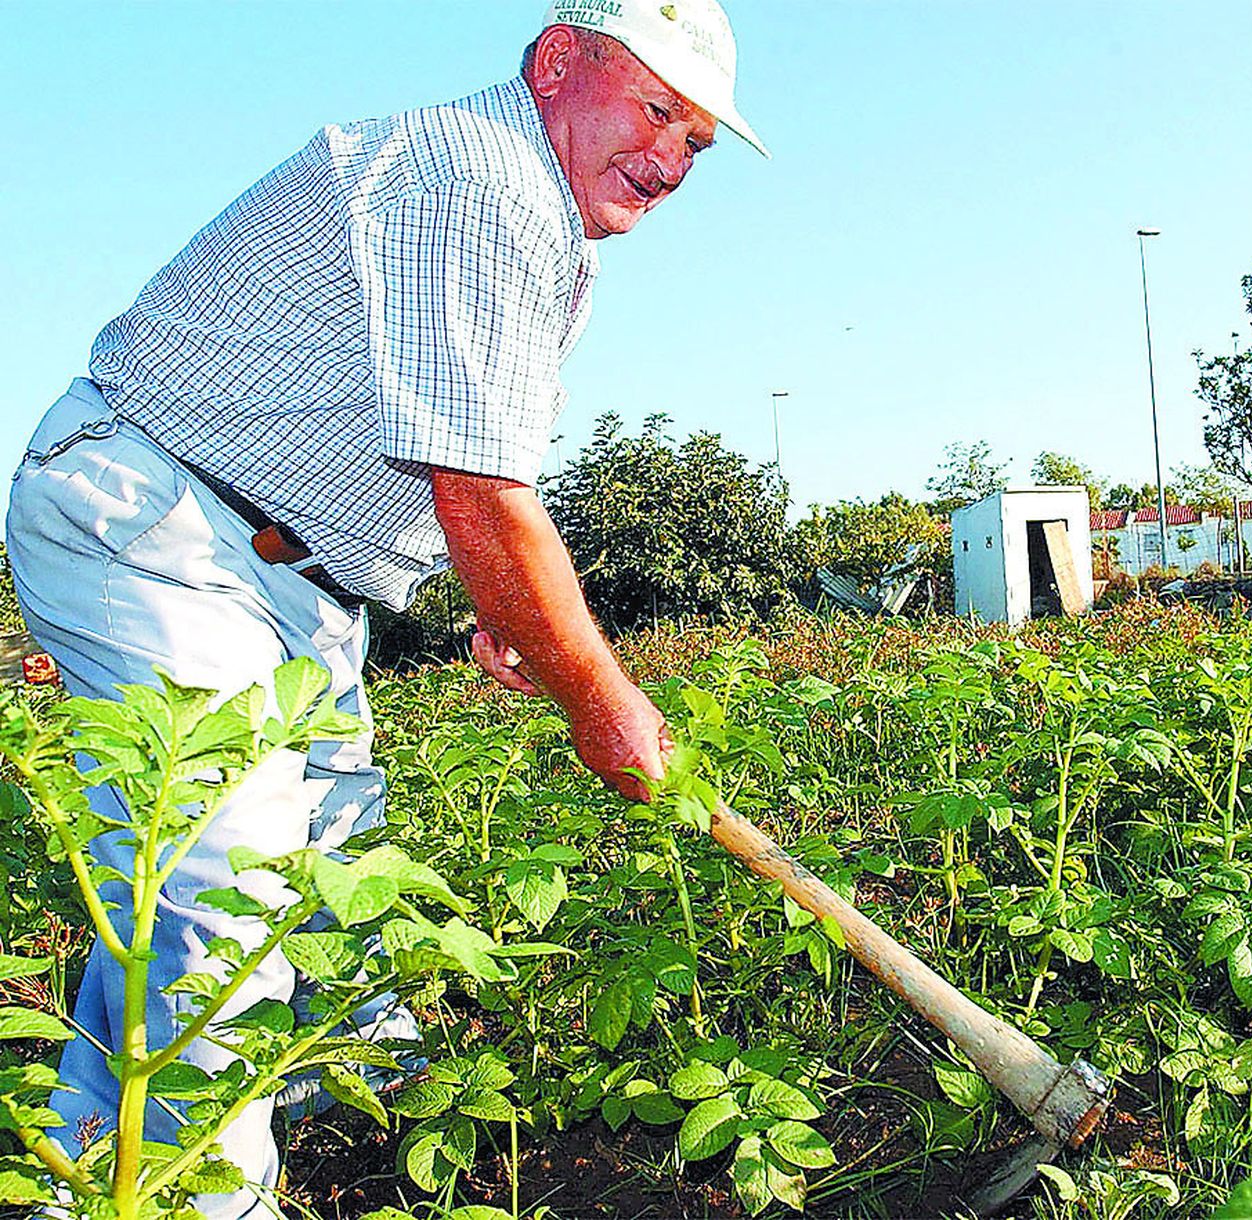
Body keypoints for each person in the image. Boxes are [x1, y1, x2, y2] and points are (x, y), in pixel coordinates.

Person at [4, 2, 765, 1215]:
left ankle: (315, 1133)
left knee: (326, 869)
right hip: (161, 527)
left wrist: (501, 598)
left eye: (699, 143)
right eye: (658, 110)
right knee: (226, 890)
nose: (673, 161)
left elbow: (449, 455)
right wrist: (599, 697)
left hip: (288, 582)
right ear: (557, 62)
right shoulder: (482, 179)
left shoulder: (536, 212)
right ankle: (193, 1194)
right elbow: (480, 483)